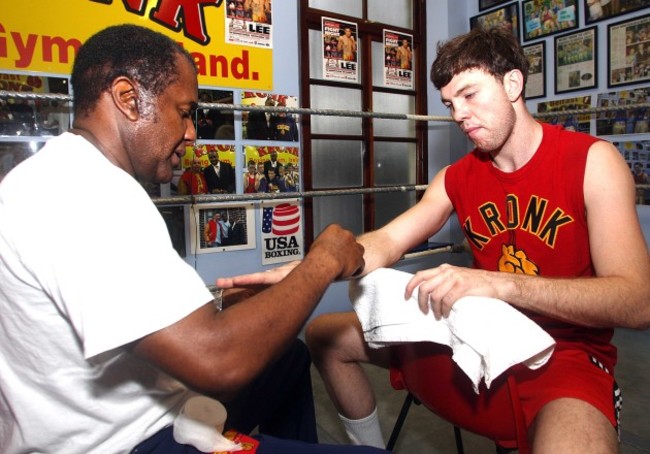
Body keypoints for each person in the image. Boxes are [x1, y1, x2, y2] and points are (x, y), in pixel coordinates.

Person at [221, 28, 650, 452]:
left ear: (513, 84)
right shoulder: (455, 178)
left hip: (565, 355)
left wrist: (500, 284)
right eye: (449, 103)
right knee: (324, 336)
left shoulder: (593, 162)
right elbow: (387, 240)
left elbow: (637, 302)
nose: (459, 114)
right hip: (478, 338)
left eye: (470, 95)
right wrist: (305, 273)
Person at [0, 24, 388, 454]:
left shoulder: (63, 176)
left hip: (125, 413)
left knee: (288, 360)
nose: (191, 133)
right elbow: (219, 362)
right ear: (128, 99)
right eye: (184, 112)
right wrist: (324, 260)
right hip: (128, 442)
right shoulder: (83, 192)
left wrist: (219, 311)